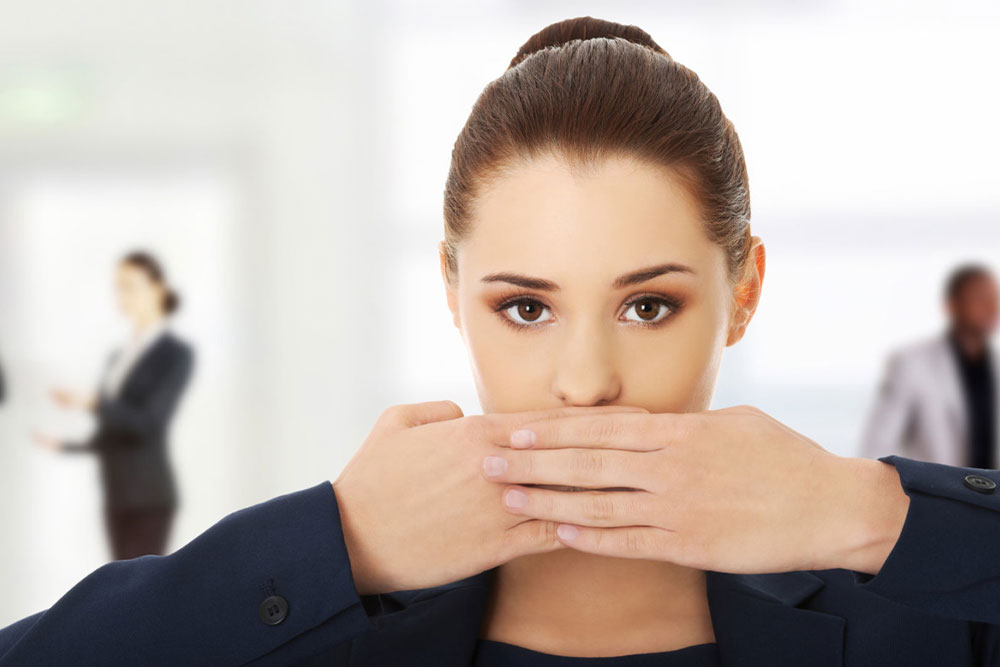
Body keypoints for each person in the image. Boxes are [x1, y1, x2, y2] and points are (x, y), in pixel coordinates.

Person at [2, 15, 999, 666]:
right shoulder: (317, 621)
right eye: (525, 307)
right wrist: (336, 544)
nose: (584, 382)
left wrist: (866, 513)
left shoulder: (905, 617)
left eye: (647, 305)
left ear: (743, 294)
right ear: (451, 290)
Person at [32, 250, 195, 560]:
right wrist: (64, 446)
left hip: (148, 494)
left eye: (130, 285)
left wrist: (92, 401)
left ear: (157, 289)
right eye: (118, 286)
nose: (122, 295)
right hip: (116, 494)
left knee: (140, 592)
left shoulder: (175, 353)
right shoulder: (116, 357)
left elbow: (148, 423)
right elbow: (112, 432)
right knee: (118, 589)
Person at [860, 263, 998, 467]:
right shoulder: (911, 364)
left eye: (995, 298)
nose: (991, 306)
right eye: (980, 298)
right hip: (934, 495)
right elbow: (876, 449)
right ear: (951, 305)